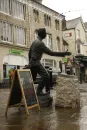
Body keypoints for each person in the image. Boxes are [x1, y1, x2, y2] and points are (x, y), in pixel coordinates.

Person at [28, 28, 71, 96]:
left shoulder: (34, 42)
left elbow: (29, 53)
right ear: (42, 34)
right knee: (45, 76)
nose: (45, 35)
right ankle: (38, 92)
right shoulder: (40, 43)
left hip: (32, 62)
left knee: (31, 80)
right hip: (35, 62)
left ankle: (27, 96)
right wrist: (63, 54)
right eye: (45, 33)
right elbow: (51, 53)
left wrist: (29, 63)